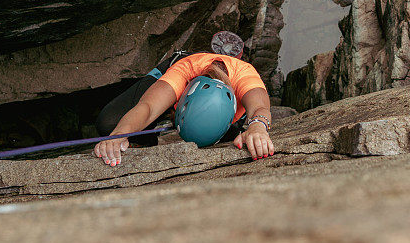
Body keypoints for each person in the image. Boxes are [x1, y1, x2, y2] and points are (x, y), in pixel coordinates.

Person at [93, 32, 274, 166]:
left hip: (222, 98)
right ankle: (144, 140)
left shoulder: (245, 75)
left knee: (232, 141)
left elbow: (259, 109)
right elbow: (147, 107)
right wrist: (120, 134)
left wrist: (257, 128)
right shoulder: (183, 71)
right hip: (181, 66)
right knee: (109, 123)